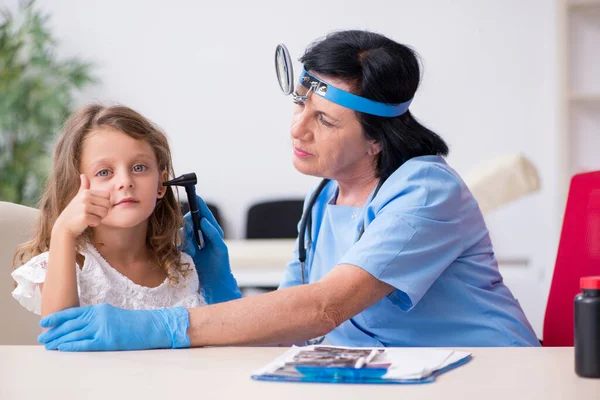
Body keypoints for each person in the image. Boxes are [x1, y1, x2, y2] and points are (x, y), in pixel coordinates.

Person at [37, 30, 540, 351]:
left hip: (486, 375)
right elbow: (292, 316)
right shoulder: (325, 198)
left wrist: (161, 327)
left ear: (374, 140)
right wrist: (222, 285)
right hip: (383, 376)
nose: (297, 129)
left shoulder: (425, 193)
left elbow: (323, 307)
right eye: (298, 104)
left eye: (323, 119)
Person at [12, 104, 205, 326]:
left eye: (139, 167)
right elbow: (60, 334)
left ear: (161, 184)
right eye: (104, 172)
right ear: (77, 190)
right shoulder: (66, 265)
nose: (125, 181)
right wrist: (63, 232)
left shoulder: (181, 270)